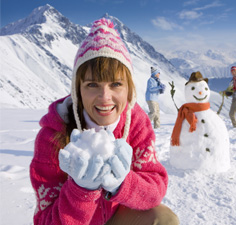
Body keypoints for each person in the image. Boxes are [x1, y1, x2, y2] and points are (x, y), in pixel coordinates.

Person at [30, 18, 179, 225]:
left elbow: (155, 188)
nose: (104, 97)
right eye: (92, 84)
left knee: (163, 219)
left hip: (117, 214)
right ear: (78, 90)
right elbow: (45, 221)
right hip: (74, 220)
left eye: (116, 84)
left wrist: (122, 184)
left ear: (128, 88)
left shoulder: (135, 123)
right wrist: (81, 191)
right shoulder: (52, 136)